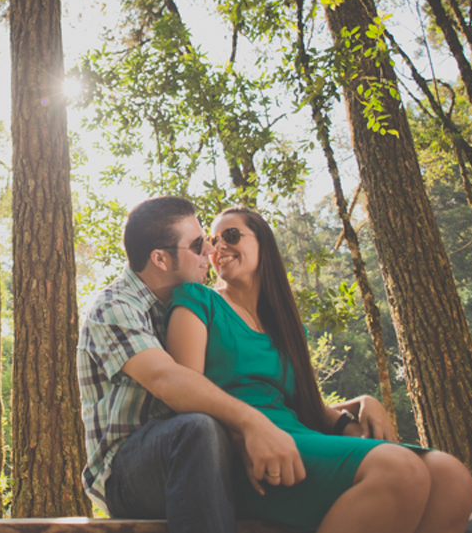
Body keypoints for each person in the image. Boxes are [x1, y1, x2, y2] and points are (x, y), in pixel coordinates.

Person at [166, 205, 472, 533]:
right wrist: (241, 434)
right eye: (212, 240)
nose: (218, 247)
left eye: (231, 235)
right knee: (399, 470)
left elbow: (300, 405)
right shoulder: (198, 299)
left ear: (263, 244)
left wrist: (358, 405)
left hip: (296, 435)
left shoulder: (282, 323)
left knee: (451, 477)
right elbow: (187, 394)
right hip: (248, 453)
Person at [78, 196, 310, 533]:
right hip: (125, 471)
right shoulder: (115, 307)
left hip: (200, 452)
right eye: (199, 244)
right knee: (198, 428)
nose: (210, 252)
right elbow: (168, 379)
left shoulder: (192, 306)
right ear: (160, 258)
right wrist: (251, 422)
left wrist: (346, 414)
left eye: (210, 241)